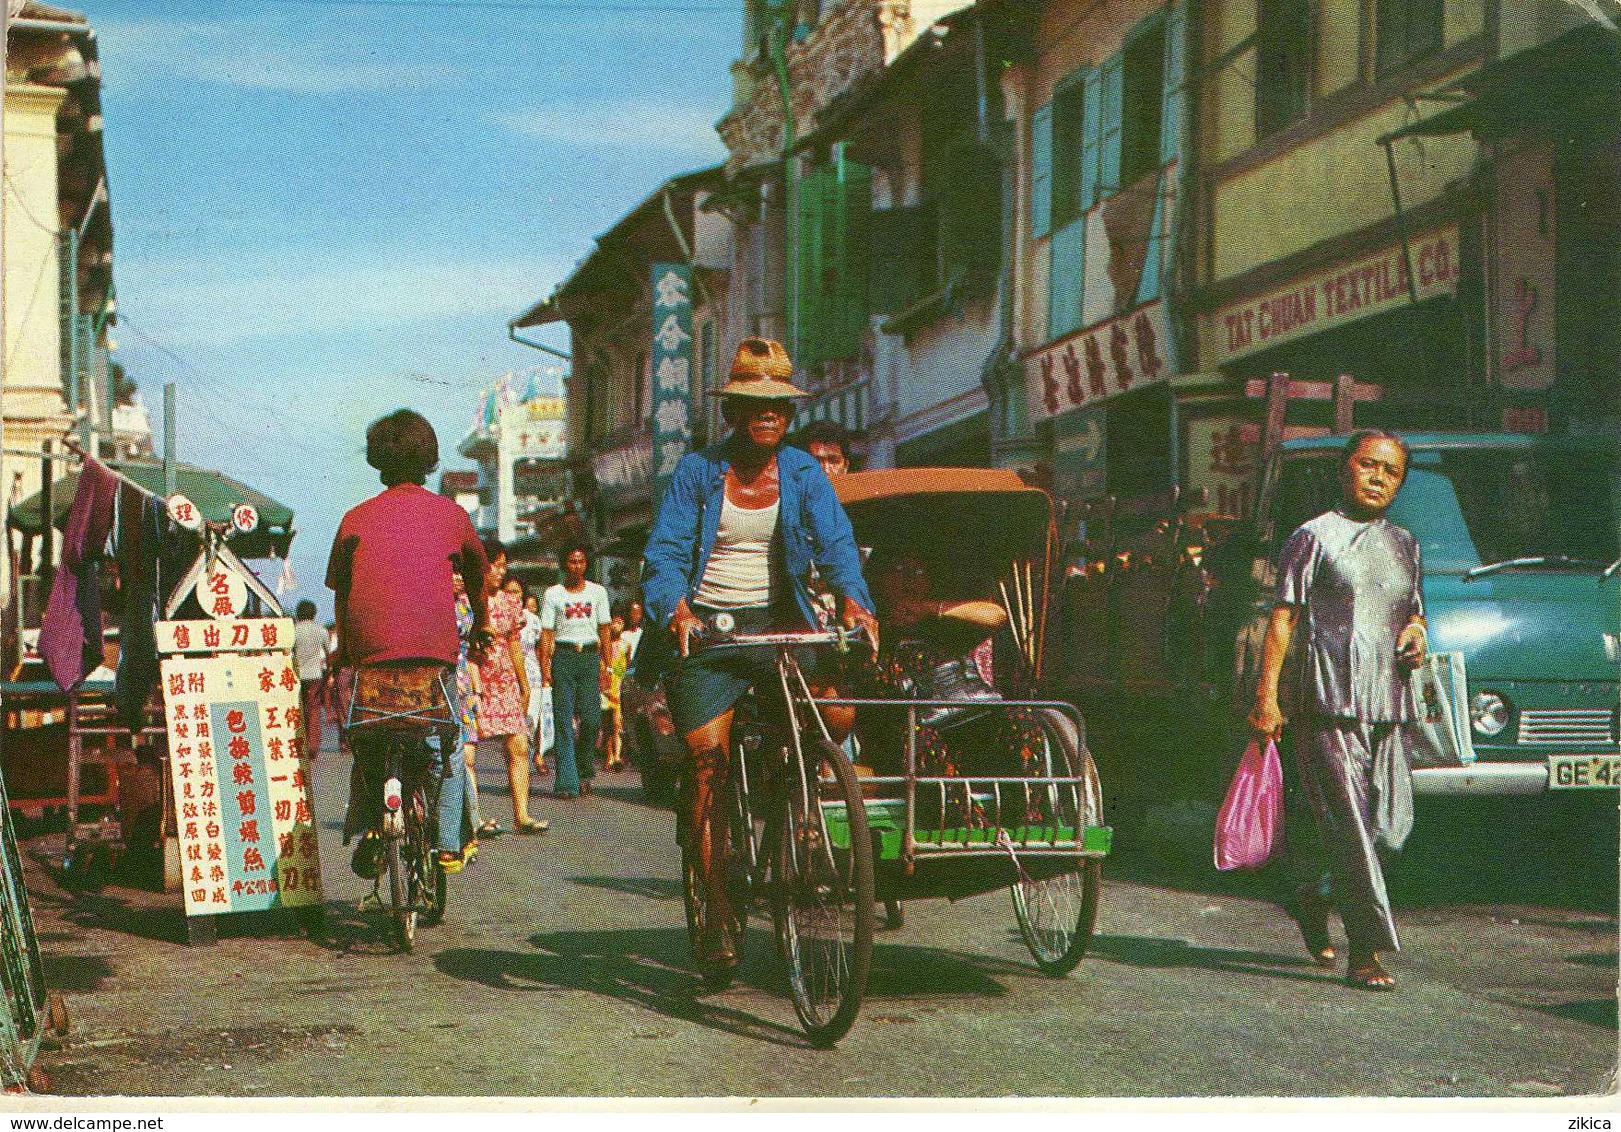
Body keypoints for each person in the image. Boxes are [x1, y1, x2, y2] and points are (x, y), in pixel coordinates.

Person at [642, 336, 878, 971]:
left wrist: (856, 603)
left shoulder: (803, 473)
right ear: (733, 410)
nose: (766, 413)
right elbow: (664, 558)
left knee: (837, 716)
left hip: (781, 626)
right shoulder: (697, 471)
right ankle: (717, 903)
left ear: (789, 413)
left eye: (777, 403)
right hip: (711, 633)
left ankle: (791, 817)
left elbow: (836, 544)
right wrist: (679, 610)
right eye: (753, 402)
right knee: (704, 762)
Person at [1249, 429, 1426, 992]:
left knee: (1390, 830)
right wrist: (1266, 696)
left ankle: (1311, 893)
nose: (1378, 478)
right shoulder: (1313, 537)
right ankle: (1367, 949)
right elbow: (1283, 621)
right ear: (1345, 469)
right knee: (1351, 827)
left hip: (1388, 702)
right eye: (1368, 465)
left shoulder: (1406, 543)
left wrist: (1417, 634)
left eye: (1391, 471)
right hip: (1326, 702)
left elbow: (1414, 612)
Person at [326, 409, 489, 877]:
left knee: (369, 745)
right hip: (434, 659)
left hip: (370, 659)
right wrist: (478, 623)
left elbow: (341, 590)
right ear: (429, 460)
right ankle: (450, 844)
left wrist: (347, 650)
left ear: (379, 462)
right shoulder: (451, 515)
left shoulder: (355, 518)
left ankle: (373, 829)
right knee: (449, 747)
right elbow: (478, 574)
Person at [475, 541, 549, 835]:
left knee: (518, 745)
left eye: (504, 565)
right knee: (468, 751)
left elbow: (515, 645)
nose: (500, 571)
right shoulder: (468, 601)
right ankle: (474, 818)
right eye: (495, 565)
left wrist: (523, 683)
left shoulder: (510, 603)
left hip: (505, 677)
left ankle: (522, 815)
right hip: (476, 678)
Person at [539, 542, 613, 798]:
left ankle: (584, 770)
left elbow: (604, 628)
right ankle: (567, 781)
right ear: (564, 564)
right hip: (564, 657)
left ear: (586, 564)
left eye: (581, 561)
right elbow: (547, 632)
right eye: (572, 561)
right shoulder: (553, 594)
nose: (576, 566)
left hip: (590, 657)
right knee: (563, 720)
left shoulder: (598, 593)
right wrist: (545, 667)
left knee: (592, 720)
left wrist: (608, 666)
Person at [452, 571, 493, 842]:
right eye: (452, 572)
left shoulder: (470, 605)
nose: (457, 577)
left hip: (464, 678)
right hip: (439, 677)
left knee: (467, 757)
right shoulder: (429, 603)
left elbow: (474, 650)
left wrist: (476, 687)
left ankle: (472, 820)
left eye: (460, 572)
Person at [291, 601, 329, 762]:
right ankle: (313, 746)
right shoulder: (321, 631)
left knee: (299, 709)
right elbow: (328, 653)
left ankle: (300, 744)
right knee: (314, 710)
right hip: (315, 674)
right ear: (314, 613)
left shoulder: (294, 631)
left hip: (297, 674)